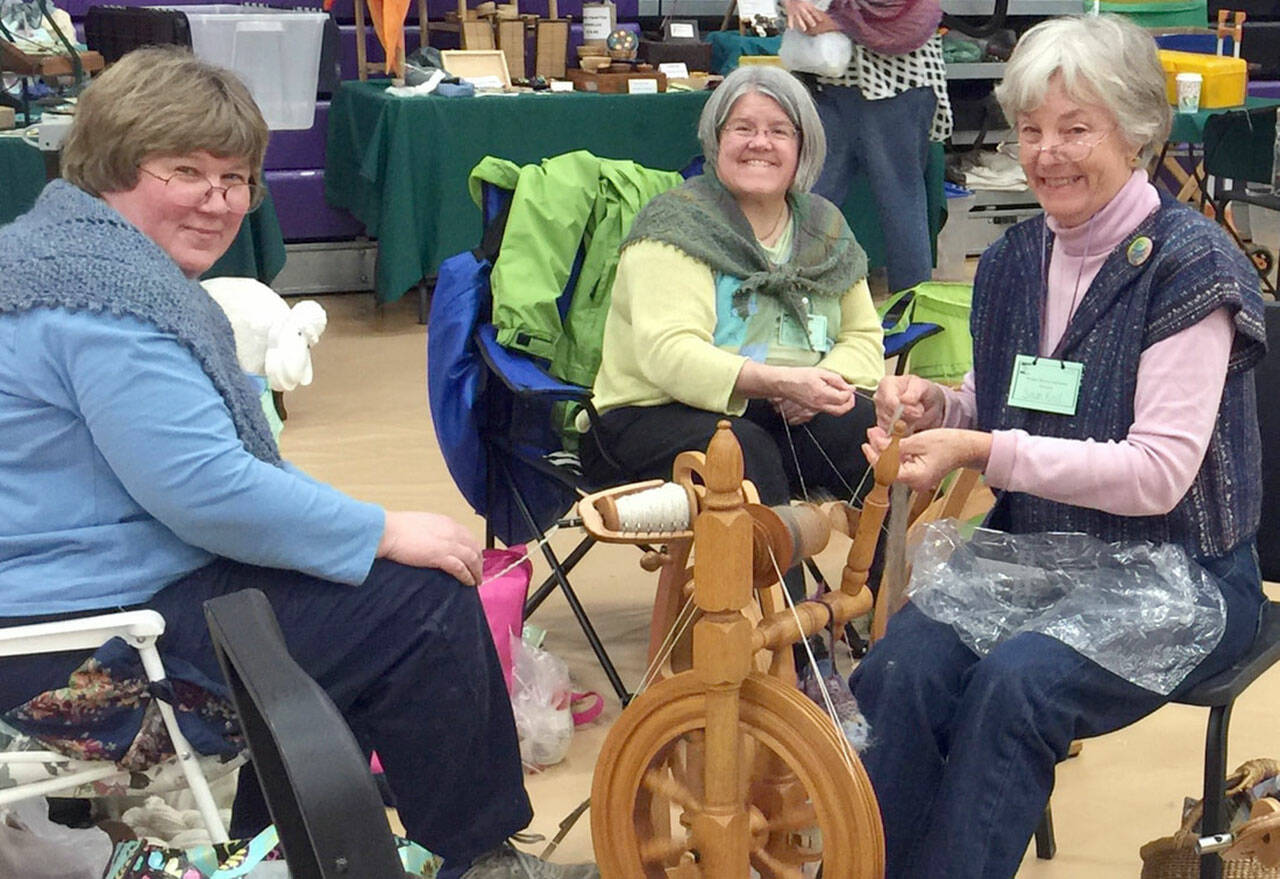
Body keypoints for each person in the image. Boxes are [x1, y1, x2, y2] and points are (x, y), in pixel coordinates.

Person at [0, 46, 593, 879]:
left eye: (236, 178)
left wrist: (356, 539)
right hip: (75, 662)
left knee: (349, 611)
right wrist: (384, 528)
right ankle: (476, 859)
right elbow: (206, 492)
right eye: (187, 172)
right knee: (419, 610)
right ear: (115, 167)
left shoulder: (58, 259)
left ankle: (297, 852)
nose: (220, 201)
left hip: (64, 620)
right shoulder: (103, 300)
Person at [854, 15, 1268, 878]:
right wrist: (939, 406)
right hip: (1034, 556)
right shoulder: (1011, 259)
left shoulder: (1191, 269)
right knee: (899, 671)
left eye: (1077, 129)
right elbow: (1012, 397)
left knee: (1015, 687)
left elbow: (1156, 475)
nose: (1047, 154)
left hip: (1179, 572)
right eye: (1031, 130)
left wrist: (978, 446)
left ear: (1142, 131)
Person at [581, 65, 884, 553]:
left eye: (779, 131)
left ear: (803, 148)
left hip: (779, 410)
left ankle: (879, 608)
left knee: (870, 435)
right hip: (647, 417)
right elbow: (669, 354)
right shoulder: (677, 225)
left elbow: (864, 340)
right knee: (741, 451)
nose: (760, 143)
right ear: (715, 139)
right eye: (743, 128)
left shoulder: (824, 227)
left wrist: (818, 385)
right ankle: (773, 624)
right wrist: (781, 382)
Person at [785, 0, 952, 293]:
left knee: (900, 200)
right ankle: (789, 296)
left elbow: (908, 15)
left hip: (897, 83)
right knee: (811, 197)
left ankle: (912, 311)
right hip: (827, 83)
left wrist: (841, 21)